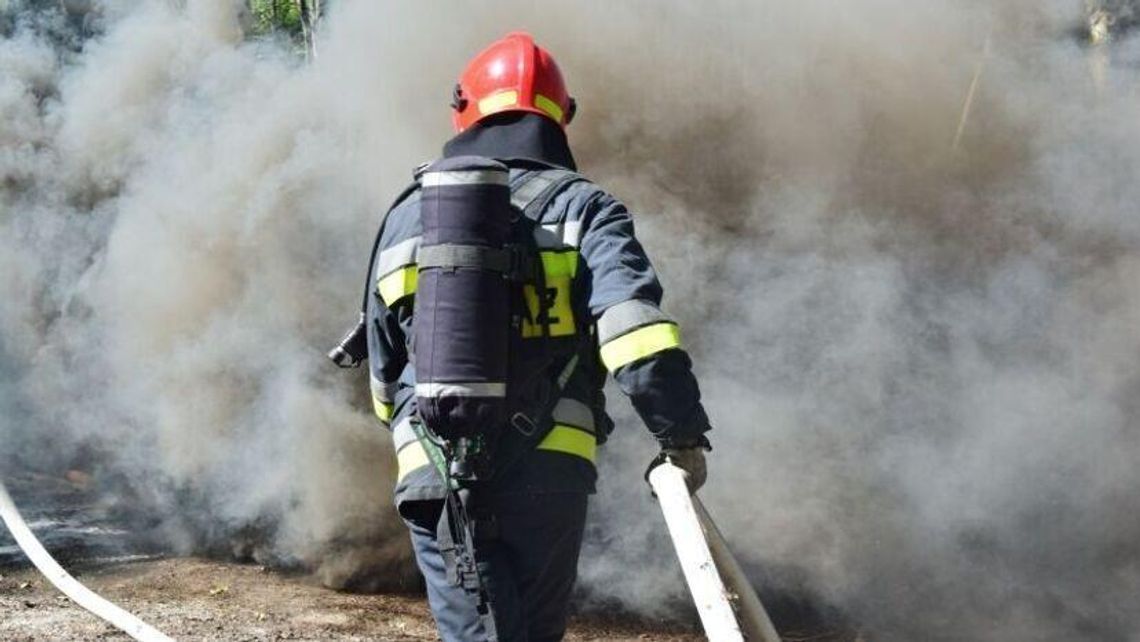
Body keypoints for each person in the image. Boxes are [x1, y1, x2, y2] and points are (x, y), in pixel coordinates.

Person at [364, 31, 712, 642]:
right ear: (563, 117)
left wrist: (440, 431)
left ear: (462, 109)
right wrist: (680, 434)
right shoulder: (588, 208)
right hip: (550, 468)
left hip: (434, 466)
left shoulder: (407, 214)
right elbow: (636, 335)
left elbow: (382, 378)